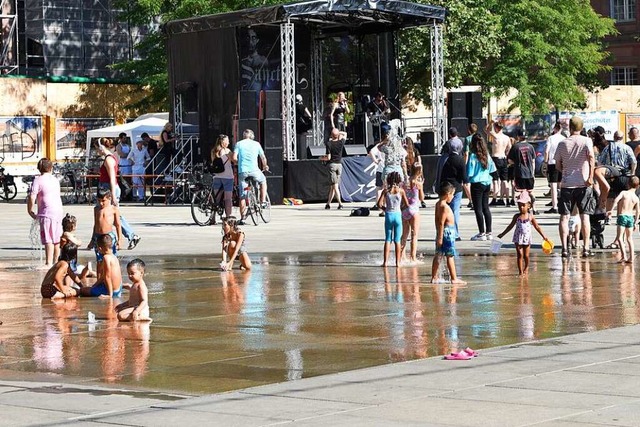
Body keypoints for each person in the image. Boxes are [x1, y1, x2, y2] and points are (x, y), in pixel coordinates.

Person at [555, 116, 596, 258]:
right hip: (583, 184)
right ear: (581, 128)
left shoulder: (562, 143)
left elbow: (557, 165)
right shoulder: (587, 141)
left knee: (564, 217)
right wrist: (590, 177)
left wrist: (565, 171)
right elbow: (591, 159)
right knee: (585, 217)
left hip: (567, 184)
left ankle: (565, 249)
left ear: (570, 128)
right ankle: (585, 248)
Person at [96, 137, 141, 250]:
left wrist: (113, 196)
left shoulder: (109, 160)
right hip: (107, 188)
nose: (97, 151)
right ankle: (97, 240)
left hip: (109, 189)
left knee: (112, 215)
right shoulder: (111, 158)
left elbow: (112, 178)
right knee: (104, 214)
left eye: (97, 148)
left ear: (101, 147)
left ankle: (131, 235)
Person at [497, 192, 550, 276]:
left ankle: (526, 267)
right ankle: (520, 272)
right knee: (519, 254)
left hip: (527, 238)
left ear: (529, 206)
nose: (521, 207)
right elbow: (510, 226)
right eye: (519, 205)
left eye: (523, 205)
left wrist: (544, 236)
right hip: (518, 238)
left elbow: (537, 227)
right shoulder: (516, 216)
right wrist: (502, 234)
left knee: (526, 255)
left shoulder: (530, 216)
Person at [27, 158, 63, 268]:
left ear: (39, 168)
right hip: (58, 211)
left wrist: (30, 210)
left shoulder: (38, 180)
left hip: (46, 212)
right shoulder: (55, 179)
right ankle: (56, 262)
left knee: (48, 238)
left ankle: (48, 263)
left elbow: (32, 196)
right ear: (51, 168)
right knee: (56, 239)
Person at [430, 182, 465, 284]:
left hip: (443, 232)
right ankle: (454, 278)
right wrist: (440, 238)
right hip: (447, 233)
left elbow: (437, 221)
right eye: (452, 194)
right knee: (450, 256)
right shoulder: (444, 207)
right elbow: (441, 222)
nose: (453, 197)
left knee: (438, 254)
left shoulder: (438, 204)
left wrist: (438, 235)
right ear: (447, 194)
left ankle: (434, 277)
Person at [594, 130, 636, 212]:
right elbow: (633, 162)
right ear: (622, 138)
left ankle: (607, 216)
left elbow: (600, 161)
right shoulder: (627, 147)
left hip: (611, 174)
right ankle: (619, 216)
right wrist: (632, 173)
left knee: (610, 196)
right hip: (624, 174)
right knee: (621, 196)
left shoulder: (608, 147)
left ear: (614, 137)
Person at [232, 129, 269, 223]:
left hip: (243, 171)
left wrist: (238, 163)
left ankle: (243, 218)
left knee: (242, 195)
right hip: (254, 170)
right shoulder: (256, 144)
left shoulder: (239, 144)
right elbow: (263, 157)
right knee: (263, 180)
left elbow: (234, 158)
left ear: (243, 136)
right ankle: (263, 201)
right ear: (252, 136)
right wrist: (265, 166)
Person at [467, 134, 497, 241]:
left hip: (476, 184)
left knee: (478, 209)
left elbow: (469, 173)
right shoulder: (487, 155)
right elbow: (493, 169)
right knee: (486, 207)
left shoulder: (473, 156)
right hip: (486, 182)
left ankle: (481, 232)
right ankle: (489, 232)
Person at [378, 171, 408, 267]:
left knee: (388, 239)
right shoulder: (401, 191)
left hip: (388, 215)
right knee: (397, 240)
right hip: (398, 215)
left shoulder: (386, 191)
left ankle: (385, 262)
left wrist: (385, 209)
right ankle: (398, 263)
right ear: (399, 180)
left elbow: (379, 204)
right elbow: (407, 204)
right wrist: (400, 210)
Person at [606, 176, 640, 263]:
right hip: (630, 217)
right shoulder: (636, 198)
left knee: (620, 238)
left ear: (628, 184)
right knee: (629, 238)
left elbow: (616, 200)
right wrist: (635, 223)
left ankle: (624, 256)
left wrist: (610, 210)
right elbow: (637, 212)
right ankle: (631, 258)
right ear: (638, 186)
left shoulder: (624, 193)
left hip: (622, 216)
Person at [90, 188, 122, 280]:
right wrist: (92, 240)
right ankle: (99, 280)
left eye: (103, 201)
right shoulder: (96, 209)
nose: (101, 203)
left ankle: (114, 278)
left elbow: (118, 225)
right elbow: (95, 224)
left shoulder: (114, 209)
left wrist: (120, 240)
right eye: (99, 201)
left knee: (112, 258)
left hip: (109, 236)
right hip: (98, 236)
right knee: (99, 260)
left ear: (110, 198)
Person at [440, 137, 467, 240]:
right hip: (457, 188)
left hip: (446, 188)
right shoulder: (460, 160)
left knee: (445, 210)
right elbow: (464, 177)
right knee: (455, 211)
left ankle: (445, 230)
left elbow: (442, 174)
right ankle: (455, 233)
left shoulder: (445, 159)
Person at [81, 234, 123, 298]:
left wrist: (110, 294)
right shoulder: (114, 257)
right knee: (91, 288)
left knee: (83, 290)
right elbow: (104, 276)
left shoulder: (106, 258)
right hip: (118, 289)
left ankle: (110, 293)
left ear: (99, 248)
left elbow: (107, 277)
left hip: (112, 291)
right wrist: (94, 285)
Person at [507, 128, 538, 214]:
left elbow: (509, 160)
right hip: (529, 173)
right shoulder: (531, 147)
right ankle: (534, 208)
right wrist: (533, 172)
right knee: (530, 191)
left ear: (518, 136)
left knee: (520, 192)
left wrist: (516, 162)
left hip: (519, 172)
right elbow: (533, 161)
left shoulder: (515, 147)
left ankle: (523, 209)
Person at [401, 165, 425, 263]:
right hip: (414, 209)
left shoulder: (404, 183)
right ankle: (413, 257)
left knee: (404, 235)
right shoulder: (418, 184)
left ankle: (402, 257)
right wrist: (421, 185)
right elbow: (422, 198)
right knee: (414, 235)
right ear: (419, 172)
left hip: (405, 209)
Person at [60, 213, 95, 279]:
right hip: (67, 260)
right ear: (72, 226)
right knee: (77, 275)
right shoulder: (67, 234)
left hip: (71, 260)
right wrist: (79, 241)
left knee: (86, 273)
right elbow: (78, 243)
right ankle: (87, 269)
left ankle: (92, 272)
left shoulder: (69, 234)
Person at [486, 121, 511, 206]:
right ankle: (507, 199)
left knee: (495, 180)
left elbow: (486, 130)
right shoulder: (507, 138)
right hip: (503, 158)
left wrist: (490, 123)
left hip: (496, 158)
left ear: (496, 128)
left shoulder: (496, 136)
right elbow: (509, 149)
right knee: (504, 180)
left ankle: (495, 199)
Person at [210, 134, 234, 217]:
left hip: (217, 176)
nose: (229, 142)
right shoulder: (227, 151)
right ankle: (228, 217)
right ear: (223, 142)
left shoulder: (213, 151)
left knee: (216, 199)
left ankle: (212, 218)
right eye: (227, 141)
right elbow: (234, 160)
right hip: (227, 177)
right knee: (228, 199)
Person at [324, 128, 346, 210]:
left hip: (332, 165)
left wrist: (322, 158)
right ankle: (328, 204)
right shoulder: (341, 142)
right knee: (333, 186)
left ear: (331, 135)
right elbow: (345, 134)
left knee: (335, 185)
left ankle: (340, 204)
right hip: (339, 165)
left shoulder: (329, 144)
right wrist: (339, 132)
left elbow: (329, 157)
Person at [544, 122, 563, 214]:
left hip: (552, 163)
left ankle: (554, 206)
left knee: (553, 186)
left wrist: (545, 162)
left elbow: (547, 151)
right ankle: (561, 204)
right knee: (561, 185)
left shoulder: (551, 138)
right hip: (562, 163)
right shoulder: (564, 138)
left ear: (555, 128)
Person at [463, 123, 478, 208]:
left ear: (469, 130)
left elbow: (466, 153)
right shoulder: (479, 138)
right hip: (479, 159)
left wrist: (464, 163)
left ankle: (471, 200)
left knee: (467, 181)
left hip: (471, 160)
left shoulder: (467, 139)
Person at [368, 142, 385, 210]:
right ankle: (383, 204)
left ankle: (378, 204)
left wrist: (375, 160)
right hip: (389, 169)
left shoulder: (380, 145)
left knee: (379, 188)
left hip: (380, 169)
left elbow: (371, 152)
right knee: (385, 188)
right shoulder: (392, 145)